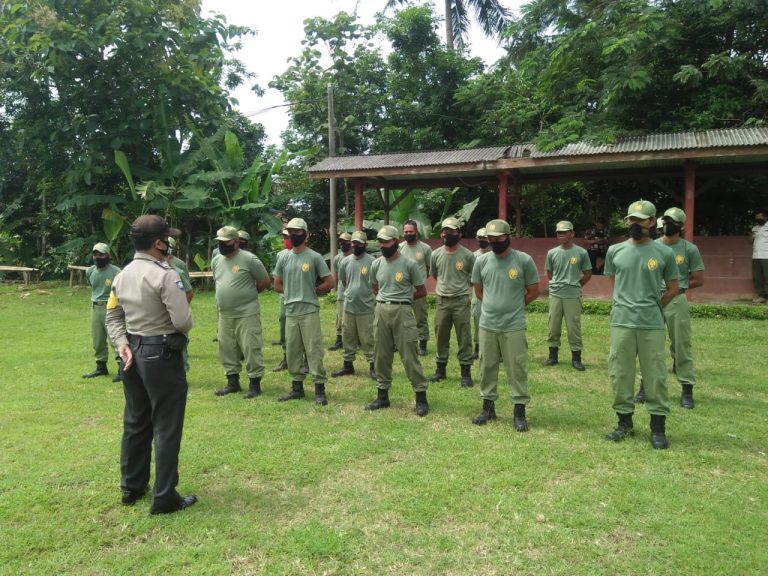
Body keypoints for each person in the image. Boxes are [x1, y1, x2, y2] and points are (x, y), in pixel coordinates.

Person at [105, 214, 196, 515]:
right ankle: (165, 496)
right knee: (167, 426)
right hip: (162, 353)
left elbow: (113, 316)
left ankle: (131, 487)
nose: (170, 242)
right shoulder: (165, 275)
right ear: (159, 243)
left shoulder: (122, 274)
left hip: (130, 352)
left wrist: (121, 343)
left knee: (135, 421)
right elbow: (183, 321)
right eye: (167, 238)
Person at [603, 200, 678, 450]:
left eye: (641, 219)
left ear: (652, 222)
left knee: (655, 375)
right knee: (620, 373)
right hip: (622, 321)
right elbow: (616, 283)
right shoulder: (615, 251)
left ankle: (658, 428)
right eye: (631, 219)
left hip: (651, 324)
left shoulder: (664, 253)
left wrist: (653, 306)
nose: (635, 223)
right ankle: (624, 423)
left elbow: (673, 288)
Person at [470, 219, 539, 430]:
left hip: (513, 325)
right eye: (490, 239)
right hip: (488, 324)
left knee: (516, 367)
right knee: (486, 365)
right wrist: (493, 306)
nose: (493, 242)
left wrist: (513, 308)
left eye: (498, 239)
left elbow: (533, 291)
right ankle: (487, 408)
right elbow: (478, 290)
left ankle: (519, 411)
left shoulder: (524, 260)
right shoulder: (481, 261)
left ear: (508, 237)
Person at [634, 207, 704, 409]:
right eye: (665, 221)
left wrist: (679, 287)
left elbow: (698, 279)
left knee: (681, 345)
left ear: (681, 226)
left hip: (676, 301)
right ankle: (645, 386)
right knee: (648, 345)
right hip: (652, 299)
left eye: (672, 222)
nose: (667, 225)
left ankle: (687, 389)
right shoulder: (650, 246)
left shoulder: (689, 249)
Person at [366, 225, 430, 416]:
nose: (383, 245)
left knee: (409, 355)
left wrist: (402, 300)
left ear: (396, 241)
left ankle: (421, 397)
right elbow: (375, 286)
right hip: (381, 309)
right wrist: (386, 300)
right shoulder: (376, 264)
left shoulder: (409, 264)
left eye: (387, 241)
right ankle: (382, 396)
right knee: (381, 354)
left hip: (403, 310)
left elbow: (421, 291)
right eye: (381, 242)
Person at [273, 217, 334, 405]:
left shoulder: (314, 257)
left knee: (313, 350)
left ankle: (319, 389)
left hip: (309, 311)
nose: (294, 235)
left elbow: (330, 281)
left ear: (305, 235)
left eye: (297, 232)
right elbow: (277, 284)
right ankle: (296, 388)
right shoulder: (283, 257)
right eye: (291, 232)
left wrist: (313, 291)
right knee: (292, 350)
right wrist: (292, 293)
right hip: (290, 310)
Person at [211, 226, 271, 399]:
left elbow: (264, 281)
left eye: (226, 242)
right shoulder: (217, 260)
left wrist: (247, 296)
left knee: (251, 347)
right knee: (227, 348)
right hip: (225, 314)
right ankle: (232, 383)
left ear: (236, 242)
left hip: (247, 313)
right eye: (220, 242)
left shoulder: (250, 259)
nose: (222, 245)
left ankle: (254, 384)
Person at [429, 217, 475, 387]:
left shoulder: (468, 255)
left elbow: (474, 277)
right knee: (441, 335)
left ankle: (465, 373)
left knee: (464, 336)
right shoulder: (435, 254)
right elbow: (435, 275)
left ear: (459, 234)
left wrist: (460, 287)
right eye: (445, 231)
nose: (447, 234)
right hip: (442, 301)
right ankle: (440, 370)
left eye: (451, 231)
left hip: (461, 301)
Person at [544, 220, 592, 371]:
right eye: (559, 232)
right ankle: (553, 356)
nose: (562, 235)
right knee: (553, 325)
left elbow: (587, 273)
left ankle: (576, 358)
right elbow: (550, 273)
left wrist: (575, 284)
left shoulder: (581, 252)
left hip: (572, 294)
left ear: (572, 233)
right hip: (556, 293)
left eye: (565, 232)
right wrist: (559, 283)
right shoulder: (552, 253)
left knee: (574, 326)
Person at [331, 231, 376, 379]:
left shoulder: (372, 262)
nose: (355, 245)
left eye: (359, 243)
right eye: (354, 243)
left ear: (365, 244)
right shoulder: (345, 261)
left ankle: (373, 366)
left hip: (366, 307)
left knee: (368, 338)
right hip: (348, 305)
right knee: (347, 336)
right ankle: (348, 366)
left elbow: (376, 284)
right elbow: (344, 282)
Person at [83, 242, 122, 381]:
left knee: (115, 338)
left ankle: (122, 368)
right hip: (95, 307)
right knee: (97, 339)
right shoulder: (90, 271)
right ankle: (101, 367)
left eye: (101, 254)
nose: (98, 257)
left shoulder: (116, 272)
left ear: (108, 255)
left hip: (111, 307)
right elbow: (92, 286)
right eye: (95, 254)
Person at [398, 220, 432, 356]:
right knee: (401, 318)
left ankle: (422, 344)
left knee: (420, 318)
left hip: (418, 290)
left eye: (410, 231)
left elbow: (429, 268)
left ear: (416, 232)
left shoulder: (425, 248)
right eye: (405, 232)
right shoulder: (399, 248)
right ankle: (402, 342)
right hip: (402, 290)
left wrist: (421, 280)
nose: (408, 234)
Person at [271, 230, 291, 370]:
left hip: (301, 299)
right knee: (283, 321)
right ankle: (286, 357)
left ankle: (306, 359)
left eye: (287, 237)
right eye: (284, 237)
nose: (285, 240)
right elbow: (277, 278)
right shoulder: (281, 255)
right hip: (285, 296)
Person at [329, 232, 352, 351]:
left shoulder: (355, 256)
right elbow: (337, 276)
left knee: (353, 317)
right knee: (339, 317)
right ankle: (339, 339)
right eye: (341, 241)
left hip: (354, 293)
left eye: (345, 241)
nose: (342, 244)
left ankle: (355, 340)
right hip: (342, 292)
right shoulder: (337, 258)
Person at [470, 228, 490, 361]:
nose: (482, 240)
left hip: (492, 293)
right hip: (477, 294)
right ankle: (477, 348)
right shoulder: (472, 256)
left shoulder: (494, 254)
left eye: (485, 237)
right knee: (477, 321)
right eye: (480, 237)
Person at [751, 208, 768, 303]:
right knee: (757, 277)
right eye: (756, 218)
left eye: (760, 217)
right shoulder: (755, 228)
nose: (758, 219)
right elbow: (749, 242)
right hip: (756, 255)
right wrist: (751, 235)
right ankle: (762, 296)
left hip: (766, 255)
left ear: (765, 217)